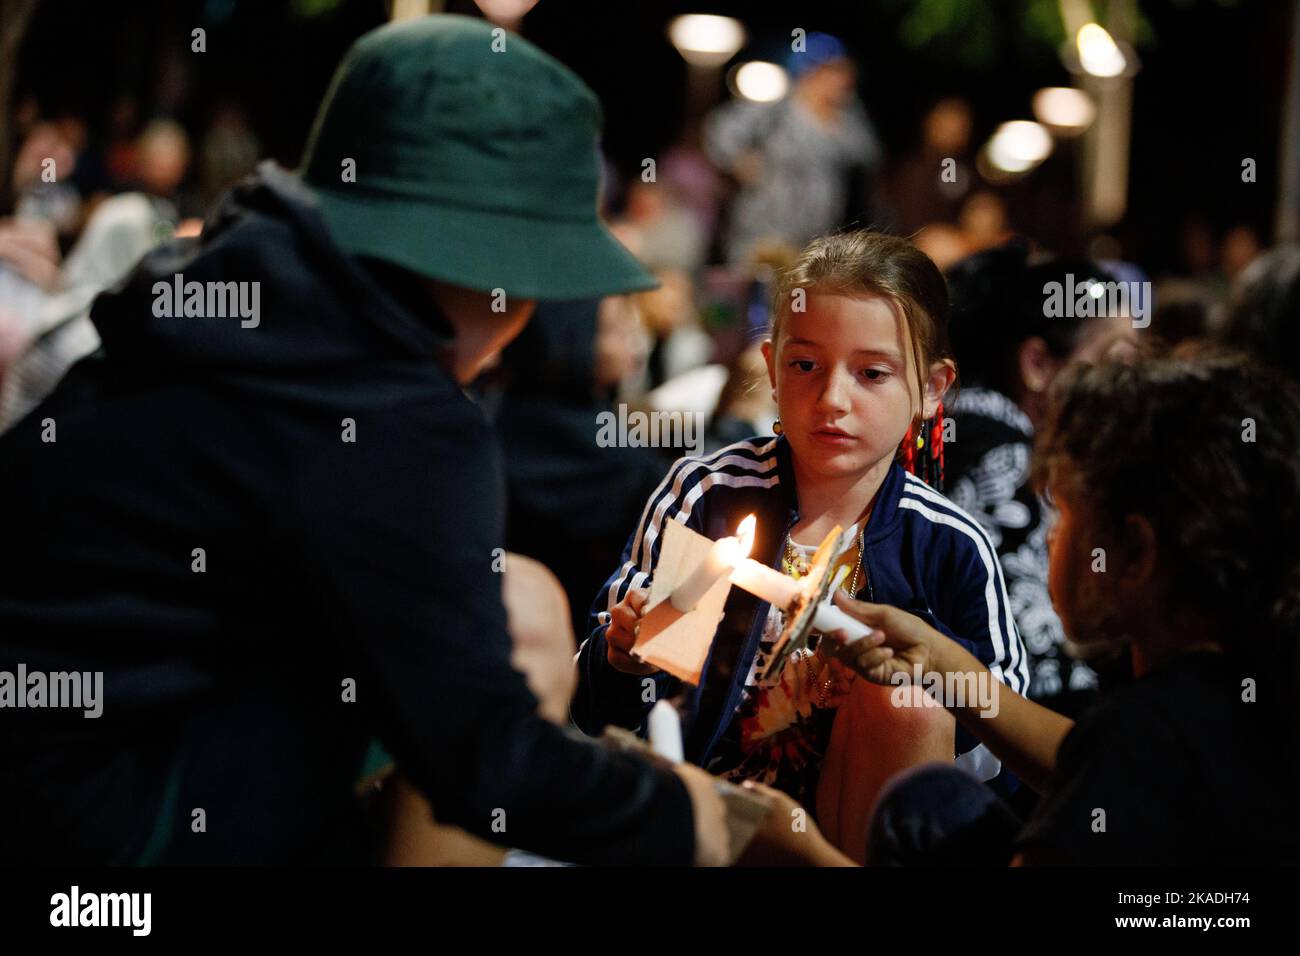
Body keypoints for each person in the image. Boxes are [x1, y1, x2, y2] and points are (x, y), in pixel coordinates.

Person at [0, 14, 831, 867]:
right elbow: (484, 760)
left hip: (57, 764)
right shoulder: (394, 418)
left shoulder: (219, 298)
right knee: (517, 632)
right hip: (105, 830)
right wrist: (695, 818)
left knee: (522, 602)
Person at [574, 230, 1030, 863]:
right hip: (713, 821)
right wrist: (628, 657)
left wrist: (905, 683)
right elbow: (608, 710)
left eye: (872, 373)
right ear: (770, 368)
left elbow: (1001, 753)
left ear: (931, 389)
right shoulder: (711, 499)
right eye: (805, 366)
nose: (832, 399)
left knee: (904, 700)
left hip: (861, 837)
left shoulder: (948, 546)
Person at [828, 347, 1300, 865]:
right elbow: (1089, 761)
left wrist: (800, 851)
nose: (1052, 536)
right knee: (935, 805)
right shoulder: (1249, 689)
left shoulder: (1143, 733)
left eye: (1066, 510)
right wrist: (941, 662)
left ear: (1137, 553)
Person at [943, 241, 1140, 708]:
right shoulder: (1004, 459)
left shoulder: (965, 428)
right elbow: (1036, 666)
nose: (1131, 390)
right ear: (1037, 364)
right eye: (1116, 364)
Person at [704, 33, 882, 266]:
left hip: (817, 237)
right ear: (811, 73)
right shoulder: (776, 108)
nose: (839, 81)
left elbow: (869, 155)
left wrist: (842, 111)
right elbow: (719, 129)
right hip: (762, 232)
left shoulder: (847, 119)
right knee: (759, 293)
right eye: (831, 72)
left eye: (843, 73)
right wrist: (739, 161)